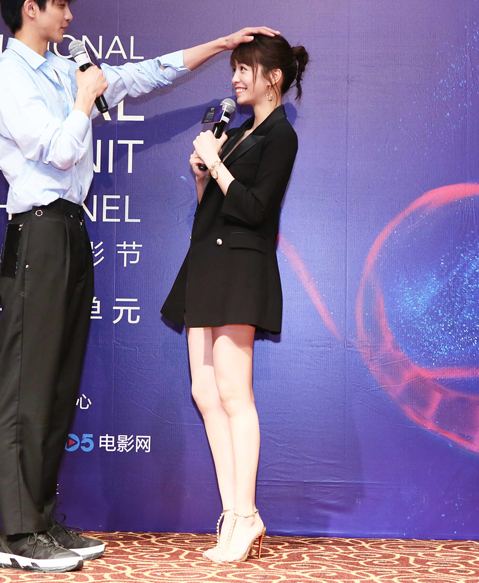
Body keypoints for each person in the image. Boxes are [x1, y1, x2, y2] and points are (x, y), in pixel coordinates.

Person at [0, 0, 278, 573]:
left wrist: (218, 44)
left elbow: (144, 75)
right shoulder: (10, 77)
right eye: (60, 4)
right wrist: (84, 98)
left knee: (58, 382)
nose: (70, 15)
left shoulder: (65, 67)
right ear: (30, 9)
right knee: (27, 385)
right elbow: (59, 151)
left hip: (70, 229)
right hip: (36, 233)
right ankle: (17, 535)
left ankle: (41, 520)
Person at [161, 34, 308, 563]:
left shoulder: (281, 136)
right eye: (235, 69)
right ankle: (233, 513)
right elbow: (216, 209)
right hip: (207, 264)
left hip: (240, 270)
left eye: (246, 69)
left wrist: (218, 166)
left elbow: (256, 209)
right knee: (204, 392)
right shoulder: (241, 132)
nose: (235, 78)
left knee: (233, 393)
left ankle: (246, 515)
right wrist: (204, 177)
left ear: (273, 77)